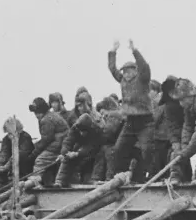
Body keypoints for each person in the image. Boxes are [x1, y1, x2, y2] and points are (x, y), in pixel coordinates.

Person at [108, 40, 154, 183]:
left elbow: (144, 66)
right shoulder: (122, 80)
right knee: (119, 149)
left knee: (147, 149)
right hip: (130, 122)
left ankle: (150, 175)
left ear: (135, 71)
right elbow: (112, 69)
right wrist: (113, 51)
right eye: (124, 71)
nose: (126, 74)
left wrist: (134, 50)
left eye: (129, 71)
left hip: (145, 121)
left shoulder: (142, 79)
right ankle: (120, 176)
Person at [27, 97, 69, 186]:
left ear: (41, 111)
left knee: (40, 160)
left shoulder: (46, 120)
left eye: (37, 113)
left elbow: (46, 140)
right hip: (62, 143)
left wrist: (33, 153)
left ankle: (34, 182)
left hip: (58, 146)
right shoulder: (51, 115)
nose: (36, 115)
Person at [54, 113, 104, 188]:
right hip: (81, 145)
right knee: (67, 157)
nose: (81, 133)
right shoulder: (75, 127)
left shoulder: (96, 129)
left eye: (84, 131)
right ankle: (60, 181)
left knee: (90, 158)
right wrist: (63, 153)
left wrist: (77, 153)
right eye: (80, 131)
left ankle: (89, 179)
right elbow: (68, 141)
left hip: (96, 147)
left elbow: (91, 146)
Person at [91, 97, 124, 183]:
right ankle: (100, 178)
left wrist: (99, 130)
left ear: (107, 108)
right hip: (117, 143)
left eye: (103, 113)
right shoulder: (116, 114)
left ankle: (107, 178)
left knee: (107, 150)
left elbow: (109, 133)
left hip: (115, 144)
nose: (103, 116)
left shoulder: (114, 115)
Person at [0, 117, 34, 185]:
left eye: (11, 133)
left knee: (22, 157)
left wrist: (7, 166)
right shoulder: (6, 139)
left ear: (18, 131)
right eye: (8, 133)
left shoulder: (25, 137)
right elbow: (4, 153)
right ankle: (3, 181)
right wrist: (1, 166)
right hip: (12, 164)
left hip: (26, 166)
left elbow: (20, 154)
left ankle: (22, 179)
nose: (9, 136)